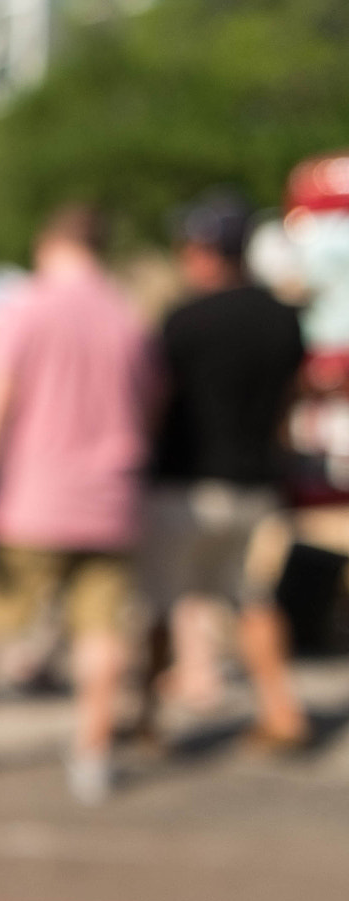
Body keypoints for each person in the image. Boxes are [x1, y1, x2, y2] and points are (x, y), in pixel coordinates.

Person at [0, 205, 155, 804]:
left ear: (48, 244)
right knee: (101, 632)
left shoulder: (24, 309)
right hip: (112, 500)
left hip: (32, 499)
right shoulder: (129, 320)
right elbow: (151, 408)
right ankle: (92, 756)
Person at [139, 193, 309, 749]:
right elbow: (290, 405)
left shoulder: (183, 320)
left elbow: (156, 404)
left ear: (205, 251)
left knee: (161, 604)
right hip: (258, 484)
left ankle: (147, 717)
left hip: (184, 485)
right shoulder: (284, 320)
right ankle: (282, 711)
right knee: (254, 602)